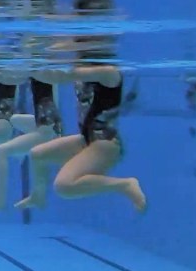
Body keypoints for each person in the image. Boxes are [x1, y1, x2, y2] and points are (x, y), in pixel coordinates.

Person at [15, 65, 146, 212]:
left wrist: (28, 67)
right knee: (37, 155)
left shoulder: (108, 72)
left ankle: (124, 184)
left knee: (64, 186)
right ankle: (38, 196)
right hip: (87, 140)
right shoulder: (82, 71)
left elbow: (60, 76)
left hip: (107, 144)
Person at [0, 70, 64, 211]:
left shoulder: (43, 70)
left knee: (1, 151)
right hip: (46, 126)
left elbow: (13, 77)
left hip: (48, 132)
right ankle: (38, 195)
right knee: (14, 119)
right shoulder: (39, 70)